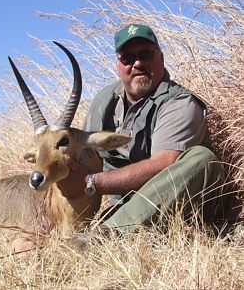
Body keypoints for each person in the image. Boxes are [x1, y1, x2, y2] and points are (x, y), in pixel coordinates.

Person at [57, 23, 228, 235]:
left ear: (161, 58)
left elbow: (162, 164)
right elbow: (86, 157)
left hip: (184, 206)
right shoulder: (105, 99)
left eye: (146, 54)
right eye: (127, 58)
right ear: (118, 65)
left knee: (202, 158)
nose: (137, 63)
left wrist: (90, 182)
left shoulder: (180, 102)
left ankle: (103, 238)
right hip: (126, 205)